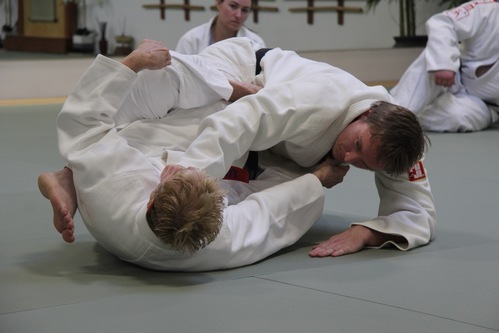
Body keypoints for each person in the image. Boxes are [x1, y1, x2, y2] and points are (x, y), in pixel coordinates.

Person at [38, 39, 348, 271]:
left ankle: (67, 176)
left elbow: (84, 124)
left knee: (158, 123)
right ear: (217, 212)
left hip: (103, 205)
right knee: (281, 177)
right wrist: (317, 179)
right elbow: (269, 213)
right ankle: (69, 176)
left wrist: (133, 62)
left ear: (150, 196)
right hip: (106, 219)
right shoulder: (216, 237)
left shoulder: (116, 183)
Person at [390, 0, 499, 132]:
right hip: (453, 75)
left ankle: (408, 120)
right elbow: (442, 22)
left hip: (485, 106)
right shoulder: (486, 10)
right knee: (433, 58)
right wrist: (444, 64)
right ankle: (391, 113)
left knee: (459, 117)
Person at [175, 0, 265, 54]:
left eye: (245, 10)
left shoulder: (256, 43)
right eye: (233, 6)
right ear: (219, 3)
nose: (238, 15)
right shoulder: (191, 40)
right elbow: (179, 77)